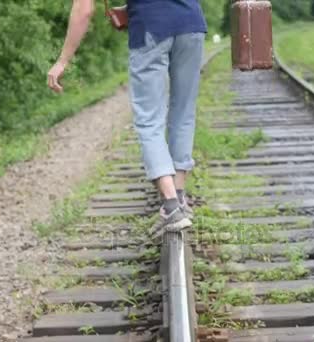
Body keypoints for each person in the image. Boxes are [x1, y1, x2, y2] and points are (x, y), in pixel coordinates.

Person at [48, 0, 207, 234]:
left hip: (151, 29)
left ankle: (171, 205)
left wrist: (62, 61)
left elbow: (84, 9)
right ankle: (179, 195)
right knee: (183, 111)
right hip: (191, 23)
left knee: (149, 119)